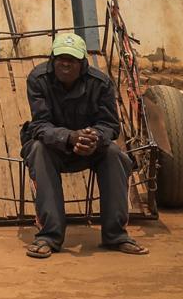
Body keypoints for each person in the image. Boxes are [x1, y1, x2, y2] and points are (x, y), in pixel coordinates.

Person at [21, 32, 148, 258]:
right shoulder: (38, 79)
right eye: (60, 59)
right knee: (38, 150)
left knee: (114, 154)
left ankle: (115, 235)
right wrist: (69, 137)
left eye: (72, 60)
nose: (65, 64)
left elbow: (109, 124)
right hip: (53, 146)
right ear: (52, 59)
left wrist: (94, 138)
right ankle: (49, 236)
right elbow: (40, 125)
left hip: (90, 146)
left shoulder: (101, 83)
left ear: (82, 63)